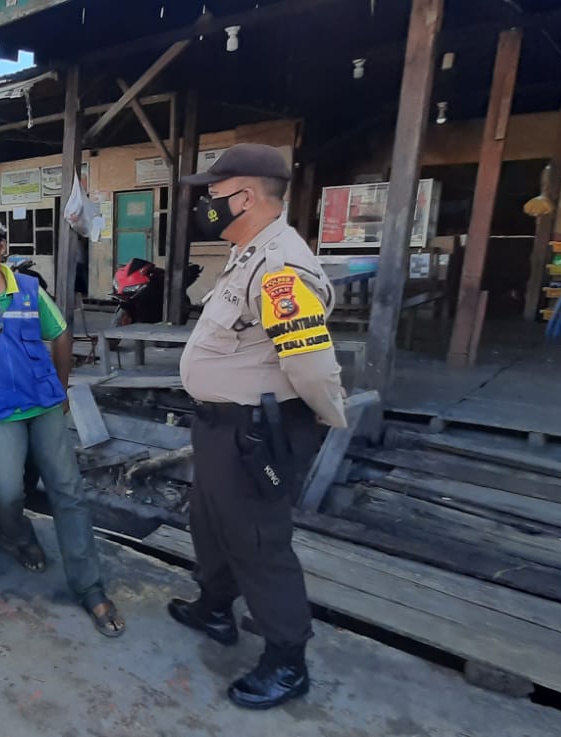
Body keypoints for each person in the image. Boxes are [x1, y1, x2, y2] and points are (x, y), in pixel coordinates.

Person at [168, 143, 347, 710]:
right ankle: (214, 607)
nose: (207, 205)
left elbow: (312, 365)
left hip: (254, 432)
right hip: (222, 428)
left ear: (244, 196)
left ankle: (287, 660)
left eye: (214, 195)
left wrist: (320, 419)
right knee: (212, 523)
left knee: (258, 542)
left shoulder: (280, 267)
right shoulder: (249, 253)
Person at [0, 206, 125, 638]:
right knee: (8, 492)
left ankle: (91, 589)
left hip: (43, 404)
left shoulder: (29, 288)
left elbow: (61, 333)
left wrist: (63, 386)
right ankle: (18, 536)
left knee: (68, 491)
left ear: (3, 248)